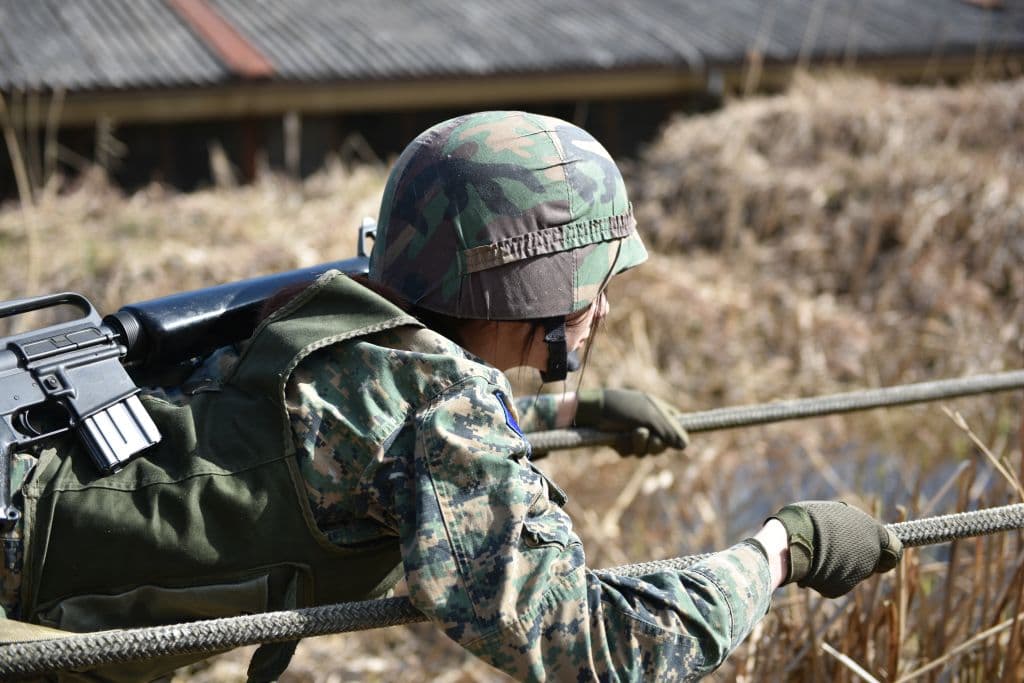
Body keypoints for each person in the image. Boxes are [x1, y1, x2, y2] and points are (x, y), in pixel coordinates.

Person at [0, 111, 902, 682]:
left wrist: (571, 411)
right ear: (529, 296)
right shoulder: (443, 410)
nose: (605, 304)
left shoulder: (347, 321)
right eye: (591, 283)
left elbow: (358, 445)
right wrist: (785, 549)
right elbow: (600, 647)